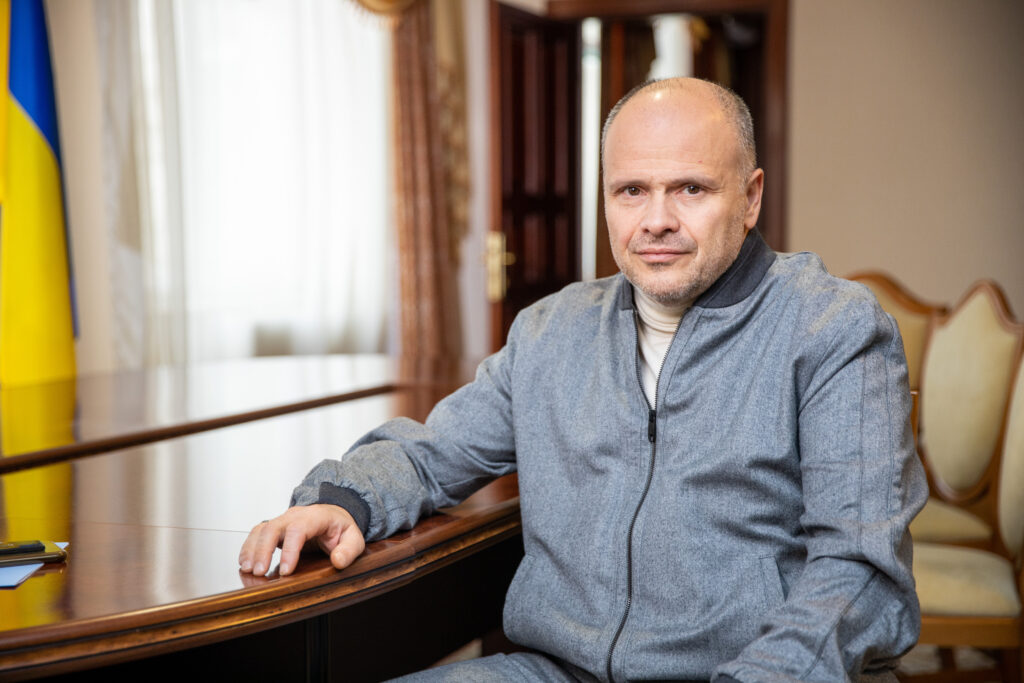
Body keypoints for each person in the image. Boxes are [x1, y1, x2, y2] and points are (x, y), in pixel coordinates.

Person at [240, 77, 927, 682]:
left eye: (690, 188)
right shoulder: (551, 331)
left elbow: (858, 572)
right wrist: (347, 500)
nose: (656, 220)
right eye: (631, 191)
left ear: (750, 198)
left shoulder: (832, 330)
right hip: (558, 671)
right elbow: (431, 454)